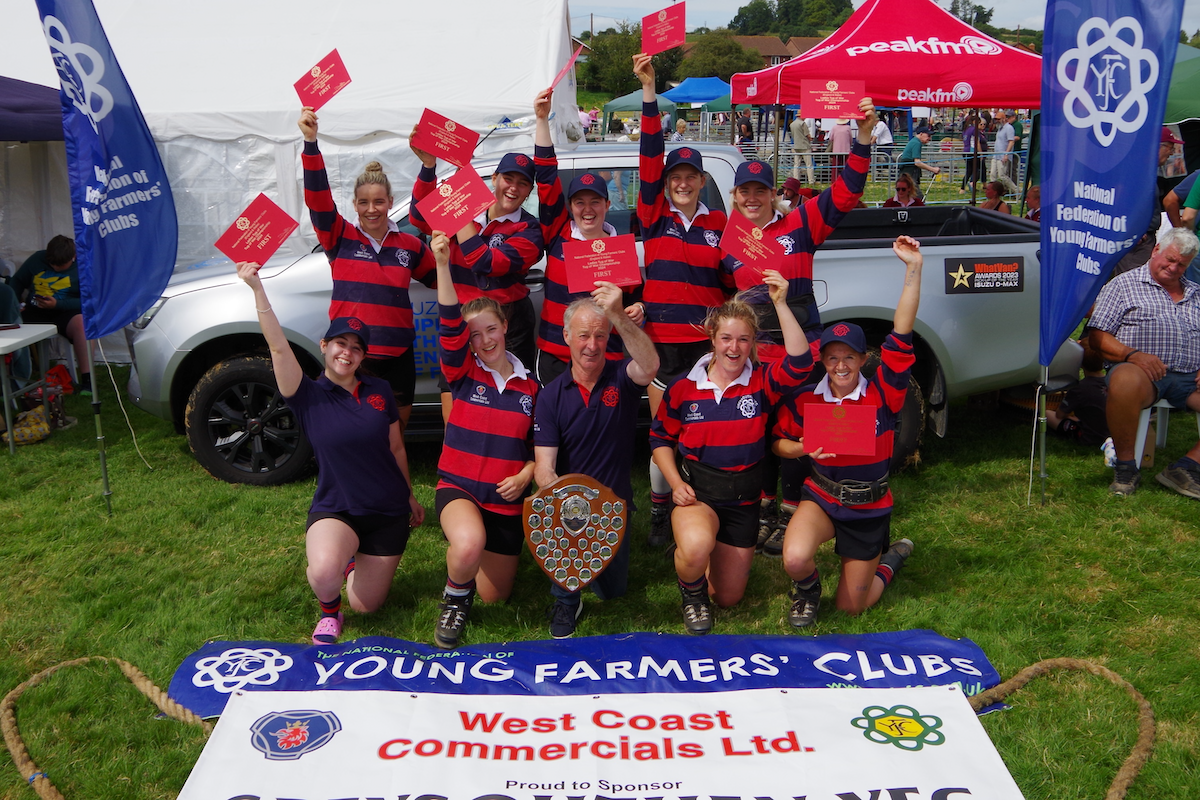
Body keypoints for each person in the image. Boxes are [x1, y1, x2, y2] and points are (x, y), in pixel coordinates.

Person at [718, 97, 878, 556]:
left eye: (760, 191)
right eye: (744, 191)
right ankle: (766, 507)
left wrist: (863, 137)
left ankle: (797, 508)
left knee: (798, 427)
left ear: (773, 194)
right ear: (735, 196)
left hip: (799, 346)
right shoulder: (730, 241)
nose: (751, 198)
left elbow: (846, 193)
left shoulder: (802, 222)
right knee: (760, 428)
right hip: (752, 352)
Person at [236, 261, 424, 645]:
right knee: (323, 572)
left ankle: (353, 560)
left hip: (388, 511)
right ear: (325, 346)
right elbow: (277, 345)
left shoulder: (379, 390)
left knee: (367, 605)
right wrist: (257, 288)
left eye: (356, 348)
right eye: (341, 344)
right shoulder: (307, 395)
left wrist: (408, 495)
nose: (348, 353)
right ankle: (329, 613)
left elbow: (395, 446)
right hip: (337, 506)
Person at [773, 235, 924, 628]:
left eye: (849, 357)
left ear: (862, 359)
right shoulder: (805, 399)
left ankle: (891, 559)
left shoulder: (884, 393)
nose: (841, 365)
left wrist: (913, 269)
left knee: (851, 608)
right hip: (822, 495)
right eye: (832, 357)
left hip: (868, 505)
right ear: (822, 360)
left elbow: (902, 333)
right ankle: (806, 591)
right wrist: (800, 448)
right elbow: (779, 441)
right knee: (794, 557)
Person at [651, 271, 813, 634]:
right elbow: (660, 438)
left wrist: (781, 304)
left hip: (743, 501)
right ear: (712, 339)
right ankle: (692, 596)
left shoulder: (762, 382)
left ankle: (703, 561)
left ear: (753, 341)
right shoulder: (684, 388)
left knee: (728, 597)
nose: (734, 348)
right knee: (695, 548)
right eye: (726, 338)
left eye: (743, 339)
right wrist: (675, 483)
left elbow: (801, 363)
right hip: (699, 495)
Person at [632, 52, 733, 548]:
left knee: (705, 429)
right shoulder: (654, 216)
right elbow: (650, 157)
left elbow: (739, 276)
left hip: (707, 346)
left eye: (691, 175)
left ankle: (704, 501)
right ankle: (659, 510)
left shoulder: (721, 225)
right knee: (664, 433)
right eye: (676, 175)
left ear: (702, 181)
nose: (683, 181)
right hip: (663, 347)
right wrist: (650, 94)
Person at [429, 230, 538, 649]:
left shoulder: (532, 388)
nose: (485, 340)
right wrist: (442, 263)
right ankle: (454, 601)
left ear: (505, 327)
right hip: (460, 488)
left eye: (490, 329)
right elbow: (448, 321)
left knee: (496, 597)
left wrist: (528, 471)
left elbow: (537, 449)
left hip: (505, 501)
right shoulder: (462, 371)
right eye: (475, 335)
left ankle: (466, 565)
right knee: (469, 543)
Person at [299, 107, 436, 429]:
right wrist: (310, 143)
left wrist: (429, 168)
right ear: (354, 205)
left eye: (378, 202)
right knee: (352, 431)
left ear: (390, 201)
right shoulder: (339, 237)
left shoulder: (411, 245)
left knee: (394, 435)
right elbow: (318, 199)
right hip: (353, 356)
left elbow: (439, 277)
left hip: (399, 356)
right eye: (363, 203)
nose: (371, 210)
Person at [534, 283, 658, 638]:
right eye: (584, 335)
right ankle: (565, 601)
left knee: (613, 591)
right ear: (567, 336)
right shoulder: (551, 396)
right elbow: (544, 466)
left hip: (615, 506)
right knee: (571, 547)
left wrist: (618, 315)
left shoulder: (622, 376)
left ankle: (583, 578)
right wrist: (563, 496)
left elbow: (649, 365)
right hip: (570, 504)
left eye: (601, 336)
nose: (592, 345)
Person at [410, 129, 545, 413]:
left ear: (529, 191)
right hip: (460, 319)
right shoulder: (467, 211)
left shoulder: (529, 230)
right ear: (494, 179)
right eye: (508, 179)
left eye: (523, 183)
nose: (513, 188)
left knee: (506, 404)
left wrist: (460, 206)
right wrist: (429, 167)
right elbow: (419, 217)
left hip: (507, 322)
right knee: (454, 399)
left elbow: (485, 262)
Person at [531, 88, 642, 385]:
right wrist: (542, 120)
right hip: (557, 352)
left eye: (595, 202)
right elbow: (545, 178)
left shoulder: (620, 249)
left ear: (608, 205)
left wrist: (638, 308)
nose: (587, 209)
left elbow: (635, 299)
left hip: (605, 354)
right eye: (580, 202)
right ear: (570, 207)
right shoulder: (558, 234)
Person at [1085, 227, 1200, 498]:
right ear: (1156, 250)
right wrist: (1132, 355)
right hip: (1141, 375)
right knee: (1124, 380)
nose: (1174, 268)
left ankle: (1187, 466)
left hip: (1191, 377)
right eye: (1170, 260)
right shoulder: (1123, 285)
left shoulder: (1196, 293)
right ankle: (1126, 468)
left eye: (1182, 265)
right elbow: (1098, 336)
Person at [10, 236, 91, 394]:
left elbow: (90, 301)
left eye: (60, 265)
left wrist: (57, 304)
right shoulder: (37, 259)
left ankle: (88, 381)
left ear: (72, 257)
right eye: (51, 263)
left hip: (66, 312)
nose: (55, 267)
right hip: (35, 311)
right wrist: (15, 304)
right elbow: (17, 281)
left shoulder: (84, 266)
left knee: (83, 323)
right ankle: (11, 381)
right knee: (10, 323)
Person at [897, 127, 939, 197]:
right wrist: (933, 169)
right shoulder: (917, 143)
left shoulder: (914, 141)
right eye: (928, 136)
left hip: (907, 172)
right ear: (921, 134)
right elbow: (917, 162)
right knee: (917, 197)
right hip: (910, 172)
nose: (929, 138)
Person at [989, 110, 1019, 195]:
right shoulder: (1000, 129)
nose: (996, 121)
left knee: (1002, 176)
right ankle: (993, 192)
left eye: (998, 119)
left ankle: (1017, 191)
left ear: (1003, 119)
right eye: (996, 119)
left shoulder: (1009, 128)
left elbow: (1011, 141)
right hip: (996, 155)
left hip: (1003, 156)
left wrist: (1006, 154)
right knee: (992, 174)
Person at [959, 114, 984, 195]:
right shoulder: (974, 130)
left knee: (969, 171)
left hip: (965, 151)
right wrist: (980, 153)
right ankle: (972, 182)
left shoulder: (966, 129)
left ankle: (962, 188)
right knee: (978, 170)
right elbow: (977, 142)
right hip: (972, 151)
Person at [790, 115, 814, 184]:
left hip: (796, 146)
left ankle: (795, 180)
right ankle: (811, 181)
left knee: (796, 164)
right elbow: (807, 134)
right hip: (805, 146)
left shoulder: (792, 124)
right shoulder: (802, 123)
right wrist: (810, 139)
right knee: (809, 164)